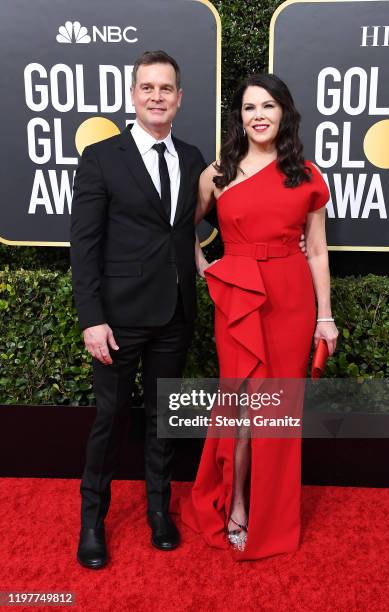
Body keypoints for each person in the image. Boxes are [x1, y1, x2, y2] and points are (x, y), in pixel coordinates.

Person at [179, 73, 338, 561]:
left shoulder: (306, 175)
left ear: (285, 113)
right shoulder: (218, 173)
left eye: (269, 106)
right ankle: (239, 502)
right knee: (243, 406)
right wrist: (204, 264)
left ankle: (271, 511)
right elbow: (180, 227)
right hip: (239, 300)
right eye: (250, 108)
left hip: (290, 298)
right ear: (240, 118)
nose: (259, 116)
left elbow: (316, 251)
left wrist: (324, 318)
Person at [70, 50, 209, 568]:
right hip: (119, 317)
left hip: (175, 313)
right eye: (147, 87)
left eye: (166, 88)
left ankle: (158, 512)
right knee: (109, 418)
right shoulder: (103, 157)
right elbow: (84, 246)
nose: (157, 97)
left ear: (179, 98)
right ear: (133, 95)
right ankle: (92, 522)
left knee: (163, 419)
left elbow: (186, 231)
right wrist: (91, 319)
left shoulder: (193, 157)